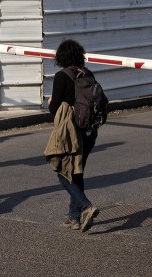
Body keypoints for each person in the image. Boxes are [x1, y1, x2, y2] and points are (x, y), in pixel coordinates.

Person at [45, 39, 100, 233]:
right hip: (90, 131)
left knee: (62, 171)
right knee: (77, 171)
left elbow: (54, 109)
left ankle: (86, 206)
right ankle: (74, 218)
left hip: (71, 132)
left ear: (61, 57)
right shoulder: (88, 74)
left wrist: (51, 102)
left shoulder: (61, 76)